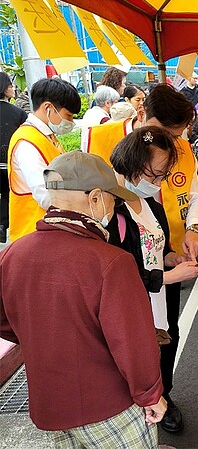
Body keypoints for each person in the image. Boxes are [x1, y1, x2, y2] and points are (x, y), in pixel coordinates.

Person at [0, 150, 166, 447]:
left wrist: (44, 335)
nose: (112, 208)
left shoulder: (12, 254)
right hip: (108, 407)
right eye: (112, 200)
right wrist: (150, 395)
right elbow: (133, 342)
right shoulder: (110, 262)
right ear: (95, 198)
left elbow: (4, 321)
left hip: (49, 406)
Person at [83, 84, 198, 433]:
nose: (172, 142)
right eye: (165, 134)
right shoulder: (115, 204)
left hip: (159, 273)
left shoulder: (151, 196)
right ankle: (136, 404)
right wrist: (167, 274)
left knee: (166, 334)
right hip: (136, 286)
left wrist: (179, 246)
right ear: (142, 116)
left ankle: (162, 396)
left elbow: (195, 197)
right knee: (131, 346)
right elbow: (116, 268)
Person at [107, 127, 198, 342]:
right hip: (134, 318)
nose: (158, 185)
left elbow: (155, 251)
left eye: (162, 177)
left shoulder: (151, 205)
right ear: (132, 164)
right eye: (153, 176)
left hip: (159, 309)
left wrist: (173, 259)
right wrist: (170, 276)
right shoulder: (111, 215)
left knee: (164, 362)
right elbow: (117, 278)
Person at [7, 78, 81, 242]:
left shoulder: (46, 136)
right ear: (48, 108)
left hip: (49, 230)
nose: (71, 122)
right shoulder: (27, 142)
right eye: (68, 115)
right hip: (34, 234)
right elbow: (46, 195)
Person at [0, 72, 27, 243]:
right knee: (8, 193)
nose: (13, 88)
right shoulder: (18, 113)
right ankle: (4, 225)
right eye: (10, 85)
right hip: (9, 162)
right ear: (4, 88)